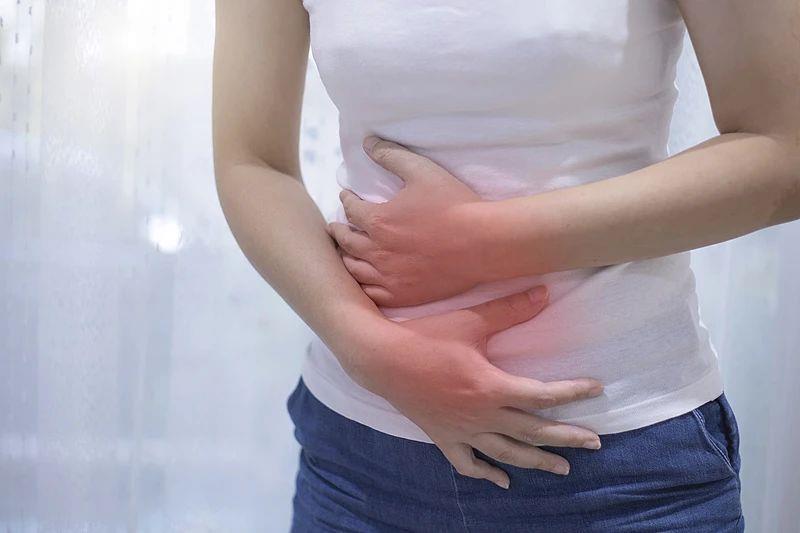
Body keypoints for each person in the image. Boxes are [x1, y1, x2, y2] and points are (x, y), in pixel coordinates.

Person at [211, 0, 799, 531]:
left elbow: (785, 150)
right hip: (358, 459)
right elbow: (253, 161)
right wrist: (368, 349)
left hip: (621, 471)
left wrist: (479, 242)